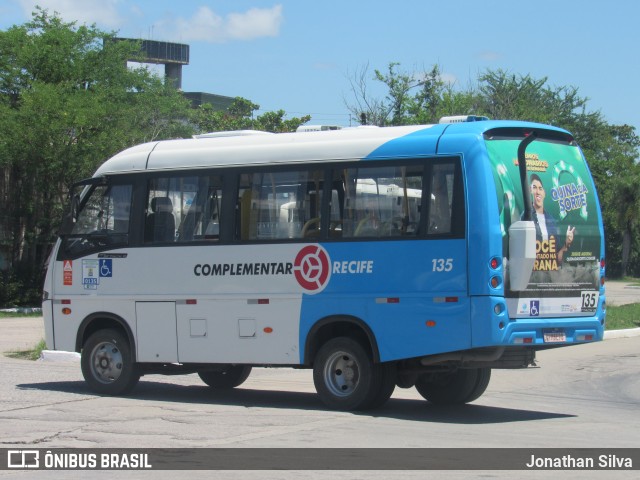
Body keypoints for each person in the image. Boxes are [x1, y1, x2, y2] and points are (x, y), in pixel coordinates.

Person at [530, 173, 574, 263]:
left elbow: (558, 257)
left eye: (540, 188)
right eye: (534, 188)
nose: (538, 192)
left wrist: (566, 243)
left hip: (550, 272)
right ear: (530, 191)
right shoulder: (525, 217)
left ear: (544, 193)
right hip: (532, 272)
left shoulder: (551, 220)